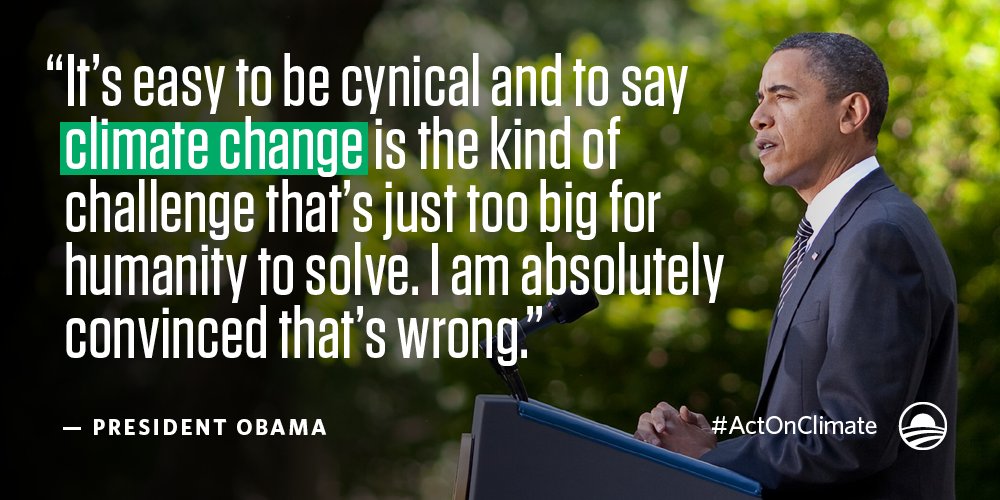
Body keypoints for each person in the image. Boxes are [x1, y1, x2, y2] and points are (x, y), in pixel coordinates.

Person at [634, 33, 957, 499]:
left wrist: (710, 460)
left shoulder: (878, 236)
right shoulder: (841, 231)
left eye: (782, 96)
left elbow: (855, 435)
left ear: (851, 113)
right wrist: (714, 448)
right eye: (760, 98)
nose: (758, 117)